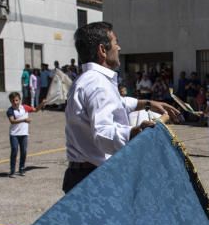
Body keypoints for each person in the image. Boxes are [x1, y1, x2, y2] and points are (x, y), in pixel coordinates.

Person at [62, 21, 180, 194]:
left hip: (83, 175)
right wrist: (135, 132)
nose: (119, 47)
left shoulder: (87, 80)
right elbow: (102, 133)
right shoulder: (97, 84)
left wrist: (147, 103)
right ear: (103, 50)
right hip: (93, 180)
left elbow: (118, 104)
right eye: (116, 42)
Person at [6, 91, 37, 177]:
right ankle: (12, 170)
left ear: (20, 100)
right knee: (14, 150)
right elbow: (12, 121)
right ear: (10, 101)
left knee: (24, 151)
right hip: (14, 134)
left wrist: (42, 103)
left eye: (16, 100)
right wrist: (24, 120)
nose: (15, 102)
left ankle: (21, 168)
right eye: (13, 101)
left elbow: (36, 110)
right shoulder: (10, 110)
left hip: (24, 134)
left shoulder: (25, 107)